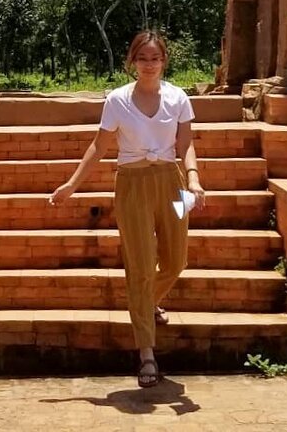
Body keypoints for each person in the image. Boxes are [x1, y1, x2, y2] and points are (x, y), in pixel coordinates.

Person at [48, 30, 206, 388]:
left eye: (155, 58)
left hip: (173, 183)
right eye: (142, 58)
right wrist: (72, 185)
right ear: (132, 61)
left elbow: (186, 143)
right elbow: (99, 146)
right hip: (132, 184)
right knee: (141, 266)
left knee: (176, 260)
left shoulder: (178, 98)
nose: (149, 65)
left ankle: (145, 303)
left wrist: (194, 180)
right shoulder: (117, 100)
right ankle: (147, 353)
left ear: (164, 61)